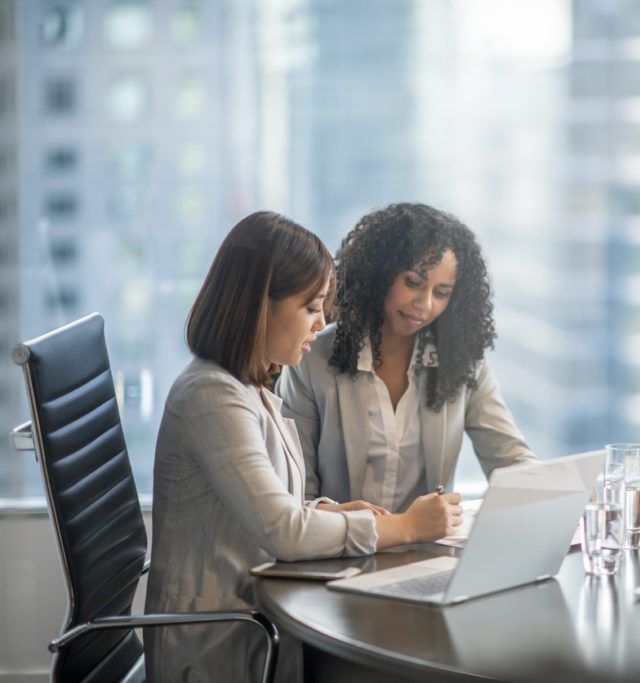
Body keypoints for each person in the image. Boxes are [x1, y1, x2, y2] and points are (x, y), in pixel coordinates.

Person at [144, 211, 462, 683]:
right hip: (220, 646)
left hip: (255, 622)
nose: (321, 323)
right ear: (259, 306)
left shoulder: (248, 387)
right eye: (310, 307)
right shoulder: (212, 397)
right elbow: (284, 531)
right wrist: (405, 527)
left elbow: (273, 508)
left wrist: (331, 512)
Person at [277, 202, 536, 513]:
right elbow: (294, 493)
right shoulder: (311, 359)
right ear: (381, 275)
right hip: (339, 554)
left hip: (427, 555)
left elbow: (509, 457)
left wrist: (559, 491)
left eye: (441, 293)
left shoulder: (464, 362)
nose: (424, 305)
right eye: (413, 283)